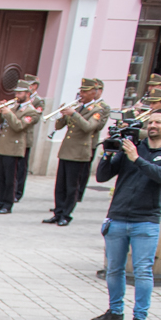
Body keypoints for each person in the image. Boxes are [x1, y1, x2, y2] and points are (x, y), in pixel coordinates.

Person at [90, 109, 161, 320]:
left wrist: (136, 159)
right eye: (150, 122)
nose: (152, 125)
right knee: (114, 269)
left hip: (146, 221)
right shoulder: (134, 146)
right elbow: (102, 177)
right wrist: (108, 153)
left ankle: (139, 318)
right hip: (118, 216)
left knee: (142, 272)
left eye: (158, 122)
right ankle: (115, 311)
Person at [46, 78, 110, 226]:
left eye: (85, 91)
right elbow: (59, 125)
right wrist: (62, 115)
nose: (81, 94)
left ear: (93, 93)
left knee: (72, 186)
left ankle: (66, 215)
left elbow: (88, 127)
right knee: (60, 185)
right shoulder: (78, 108)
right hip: (66, 150)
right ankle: (58, 212)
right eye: (81, 91)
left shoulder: (96, 110)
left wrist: (73, 114)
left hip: (79, 152)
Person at [0, 83, 36, 214]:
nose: (17, 95)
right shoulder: (13, 107)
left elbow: (19, 126)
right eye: (16, 93)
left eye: (20, 93)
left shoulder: (31, 111)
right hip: (3, 146)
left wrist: (8, 113)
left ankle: (7, 204)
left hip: (14, 148)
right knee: (0, 178)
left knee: (10, 179)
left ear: (28, 94)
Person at [16, 76, 45, 203]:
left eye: (29, 85)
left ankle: (18, 192)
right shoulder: (17, 101)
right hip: (13, 138)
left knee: (21, 167)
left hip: (25, 137)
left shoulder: (38, 101)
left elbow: (35, 117)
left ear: (34, 86)